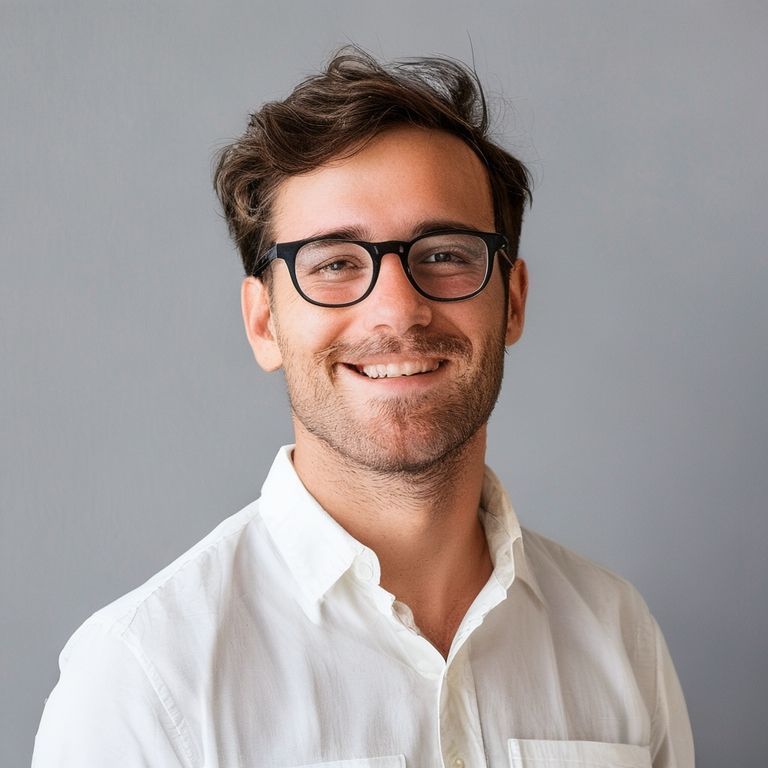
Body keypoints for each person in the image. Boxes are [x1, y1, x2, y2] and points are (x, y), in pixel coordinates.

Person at [32, 49, 694, 768]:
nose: (399, 310)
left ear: (514, 300)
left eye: (444, 253)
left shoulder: (618, 635)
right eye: (335, 263)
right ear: (264, 324)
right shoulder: (145, 680)